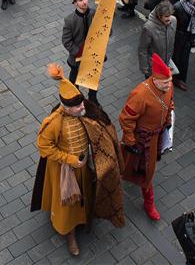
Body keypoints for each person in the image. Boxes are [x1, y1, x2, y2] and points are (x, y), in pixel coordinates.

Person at [32, 64, 125, 256]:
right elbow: (44, 146)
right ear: (66, 108)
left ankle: (85, 219)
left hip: (84, 166)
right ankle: (70, 234)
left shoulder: (85, 111)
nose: (83, 106)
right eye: (77, 106)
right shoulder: (53, 123)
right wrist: (70, 159)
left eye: (81, 103)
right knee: (69, 204)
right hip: (65, 171)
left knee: (86, 195)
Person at [118, 54, 174, 221]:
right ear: (154, 79)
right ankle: (149, 203)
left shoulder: (167, 86)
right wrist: (130, 141)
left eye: (170, 81)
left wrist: (168, 120)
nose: (169, 85)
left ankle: (141, 191)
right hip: (140, 139)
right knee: (142, 169)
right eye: (165, 82)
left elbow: (170, 103)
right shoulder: (140, 94)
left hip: (156, 136)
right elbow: (126, 118)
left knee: (141, 168)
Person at [62, 0, 99, 101]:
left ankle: (93, 99)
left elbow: (106, 32)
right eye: (80, 0)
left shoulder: (95, 14)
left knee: (93, 79)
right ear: (75, 3)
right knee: (74, 77)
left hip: (93, 55)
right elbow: (66, 40)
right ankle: (74, 97)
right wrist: (78, 52)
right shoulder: (70, 20)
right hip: (77, 57)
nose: (84, 2)